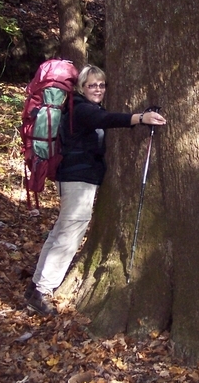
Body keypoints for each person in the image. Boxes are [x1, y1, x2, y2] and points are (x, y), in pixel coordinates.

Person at [24, 64, 167, 316]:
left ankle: (36, 286)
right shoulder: (81, 109)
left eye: (102, 85)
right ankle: (42, 290)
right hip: (77, 178)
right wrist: (140, 118)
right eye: (92, 85)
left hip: (75, 176)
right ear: (81, 87)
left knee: (62, 230)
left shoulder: (81, 107)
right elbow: (105, 119)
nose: (98, 89)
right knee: (69, 234)